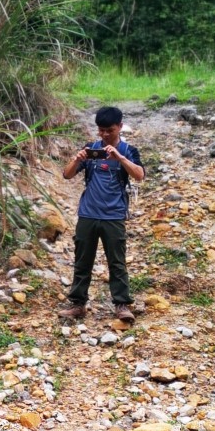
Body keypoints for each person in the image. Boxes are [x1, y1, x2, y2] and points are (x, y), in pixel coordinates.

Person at [59, 105, 145, 324]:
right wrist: (78, 159)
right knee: (82, 260)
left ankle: (122, 304)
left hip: (114, 215)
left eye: (109, 130)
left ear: (120, 127)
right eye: (101, 130)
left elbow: (139, 176)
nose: (104, 134)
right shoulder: (91, 149)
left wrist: (119, 159)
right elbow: (67, 175)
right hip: (88, 213)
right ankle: (78, 304)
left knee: (117, 262)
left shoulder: (128, 150)